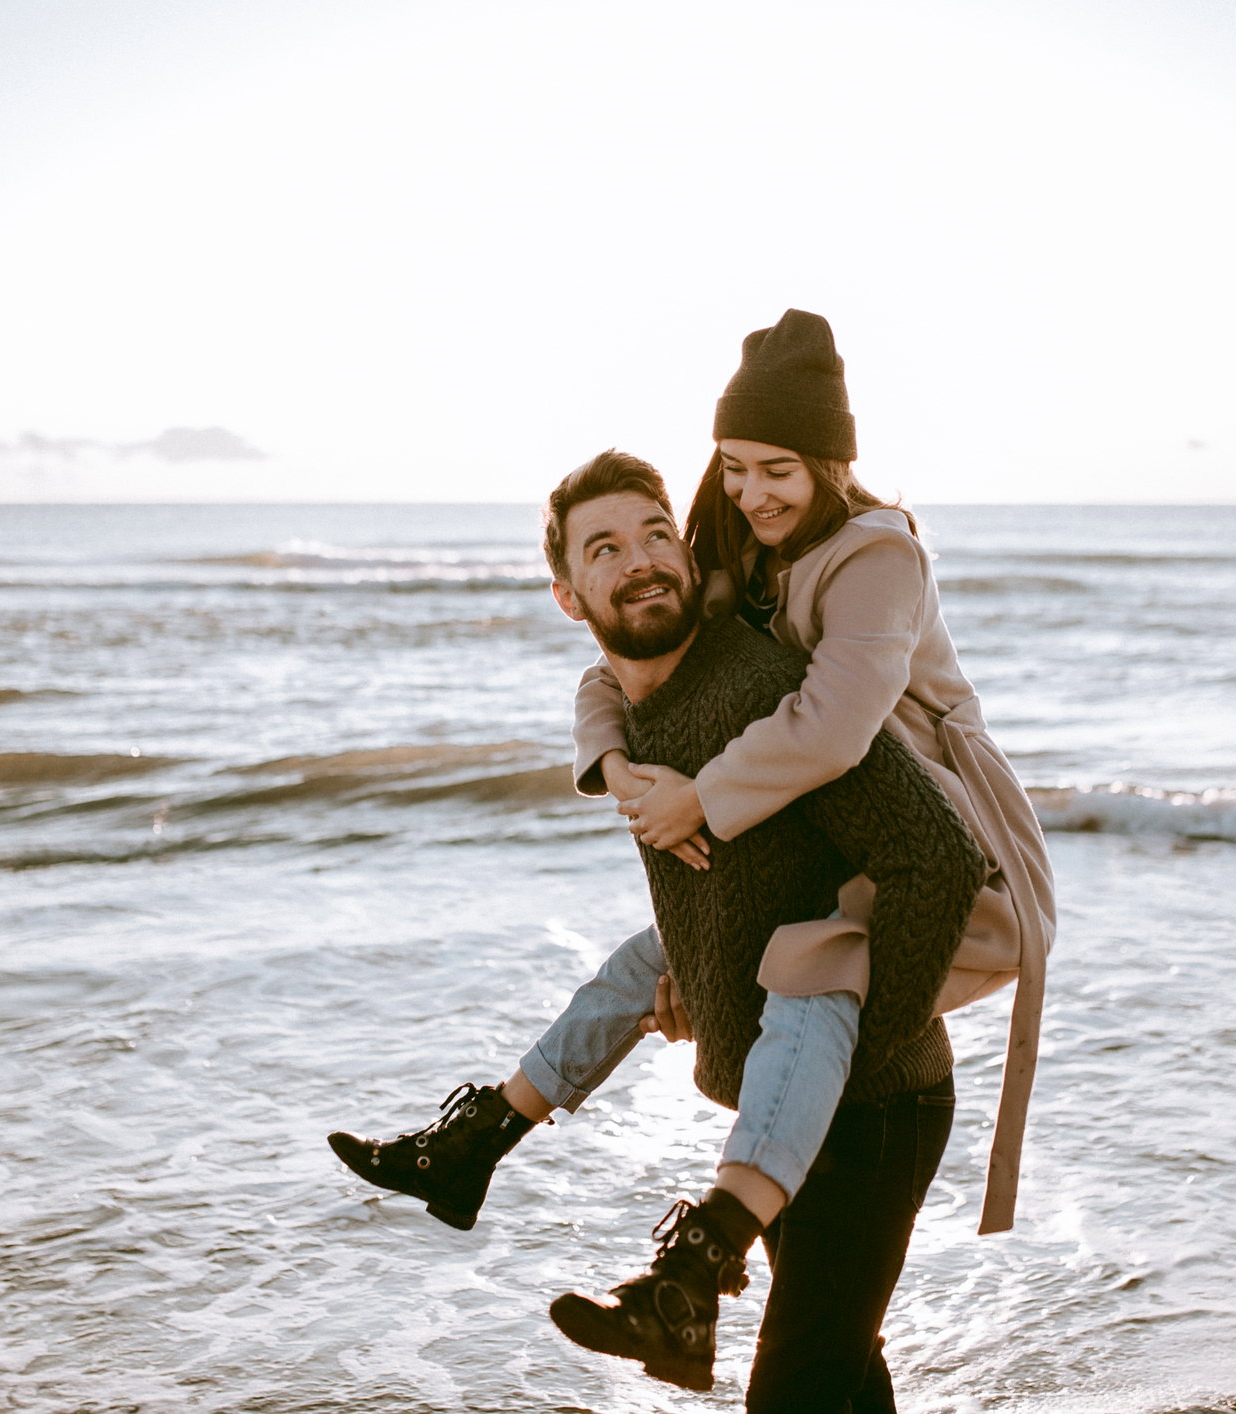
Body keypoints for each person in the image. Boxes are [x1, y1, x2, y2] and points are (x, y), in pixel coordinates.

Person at [332, 451, 985, 1406]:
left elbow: (941, 860)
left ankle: (521, 1173)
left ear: (686, 553)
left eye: (654, 535)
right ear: (567, 596)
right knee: (841, 1379)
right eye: (605, 548)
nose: (639, 560)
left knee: (796, 1388)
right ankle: (477, 1142)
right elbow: (745, 892)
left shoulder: (765, 695)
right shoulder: (633, 707)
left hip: (875, 1104)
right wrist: (707, 985)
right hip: (788, 1093)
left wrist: (861, 1053)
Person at [579, 309, 1058, 1238]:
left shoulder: (878, 554)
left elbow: (832, 727)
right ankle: (490, 1131)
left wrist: (699, 800)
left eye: (777, 470)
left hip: (942, 834)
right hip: (828, 835)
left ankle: (708, 1243)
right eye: (734, 466)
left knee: (812, 983)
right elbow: (636, 661)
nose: (750, 493)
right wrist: (612, 762)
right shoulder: (741, 542)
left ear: (829, 464)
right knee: (661, 963)